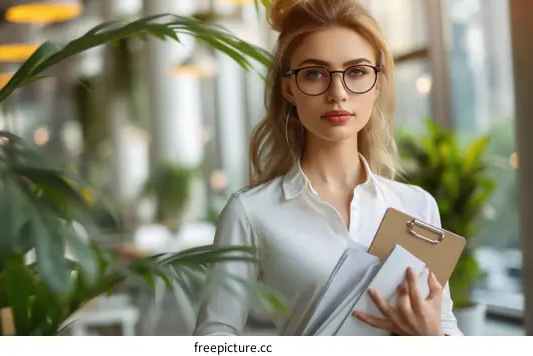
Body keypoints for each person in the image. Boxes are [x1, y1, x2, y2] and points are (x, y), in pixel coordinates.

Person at [193, 0, 462, 336]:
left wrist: (432, 338)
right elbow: (213, 337)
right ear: (289, 87)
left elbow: (447, 325)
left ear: (378, 83)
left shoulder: (417, 206)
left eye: (357, 72)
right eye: (315, 73)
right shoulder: (251, 212)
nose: (338, 93)